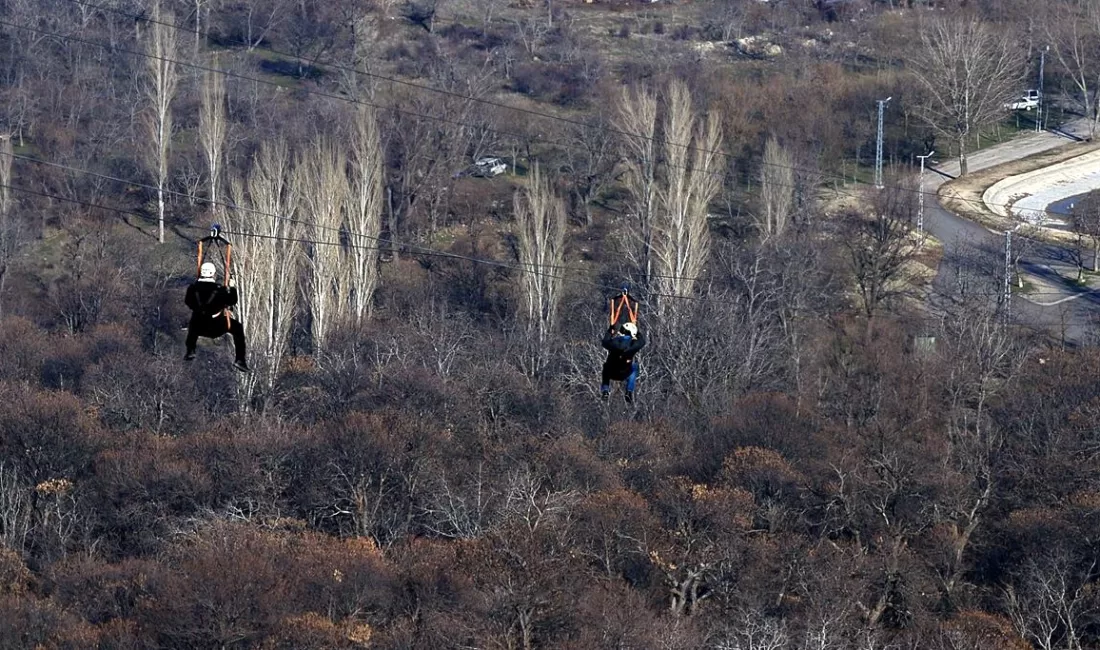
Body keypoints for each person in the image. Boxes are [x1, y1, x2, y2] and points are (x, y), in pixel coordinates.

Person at [184, 262, 249, 372]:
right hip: (217, 327)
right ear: (213, 274)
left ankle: (191, 349)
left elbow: (188, 302)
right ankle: (240, 359)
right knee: (237, 328)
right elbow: (233, 301)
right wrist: (232, 288)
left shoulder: (192, 288)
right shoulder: (220, 290)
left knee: (193, 322)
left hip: (199, 327)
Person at [600, 321, 645, 403]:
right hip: (625, 373)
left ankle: (605, 390)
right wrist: (638, 333)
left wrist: (610, 331)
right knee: (635, 367)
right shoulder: (633, 344)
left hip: (612, 373)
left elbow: (604, 342)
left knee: (605, 367)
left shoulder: (614, 342)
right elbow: (642, 342)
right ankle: (629, 391)